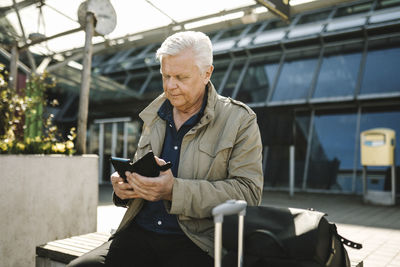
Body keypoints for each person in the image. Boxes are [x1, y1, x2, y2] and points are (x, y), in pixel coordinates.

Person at [68, 31, 263, 267]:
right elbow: (144, 171)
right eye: (165, 75)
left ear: (207, 73)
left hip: (197, 242)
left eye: (181, 77)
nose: (170, 86)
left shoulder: (240, 120)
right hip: (138, 232)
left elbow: (249, 193)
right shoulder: (154, 114)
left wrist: (174, 191)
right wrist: (125, 189)